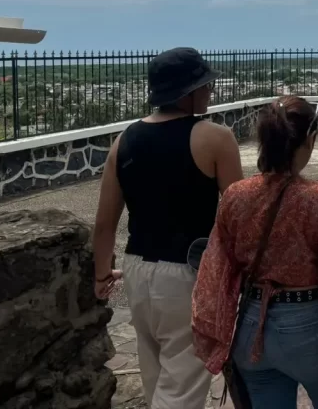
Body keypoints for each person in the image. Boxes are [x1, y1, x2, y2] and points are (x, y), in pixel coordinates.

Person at [192, 96, 318, 409]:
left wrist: (217, 337)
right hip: (308, 330)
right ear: (310, 139)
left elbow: (215, 270)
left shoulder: (235, 196)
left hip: (250, 331)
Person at [93, 47, 244, 409]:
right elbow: (242, 215)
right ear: (187, 92)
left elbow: (104, 223)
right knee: (184, 385)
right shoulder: (215, 138)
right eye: (205, 85)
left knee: (156, 375)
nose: (210, 91)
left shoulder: (123, 140)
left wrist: (101, 276)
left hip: (136, 270)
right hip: (187, 274)